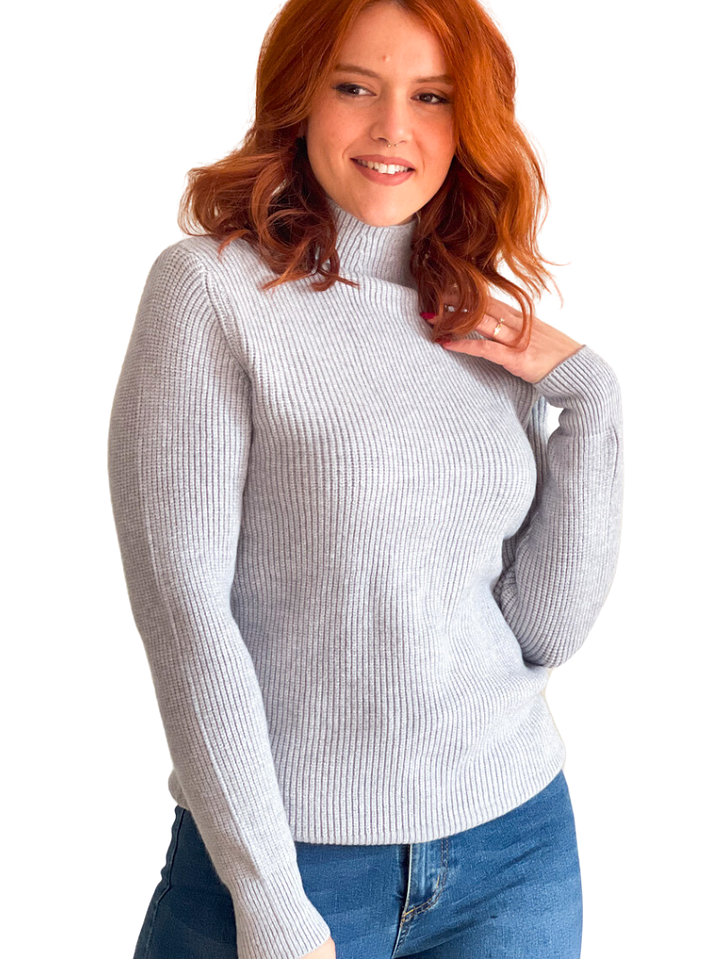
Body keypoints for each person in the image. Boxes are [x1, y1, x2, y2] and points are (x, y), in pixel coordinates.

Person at [107, 0, 624, 957]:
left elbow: (541, 631)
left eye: (431, 96)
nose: (393, 128)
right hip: (290, 863)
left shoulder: (472, 310)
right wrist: (269, 899)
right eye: (355, 87)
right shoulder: (211, 293)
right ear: (298, 98)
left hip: (515, 848)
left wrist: (590, 399)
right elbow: (185, 615)